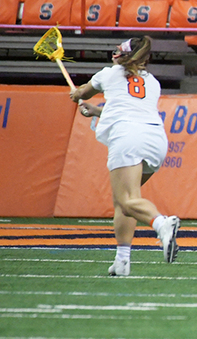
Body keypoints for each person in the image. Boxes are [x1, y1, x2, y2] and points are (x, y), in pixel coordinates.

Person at [70, 36, 179, 277]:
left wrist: (77, 95)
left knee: (127, 200)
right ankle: (122, 261)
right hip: (155, 140)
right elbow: (128, 104)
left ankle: (162, 224)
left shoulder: (109, 73)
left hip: (127, 138)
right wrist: (98, 111)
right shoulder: (153, 82)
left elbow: (81, 93)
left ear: (122, 54)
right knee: (125, 202)